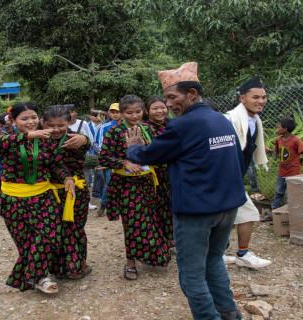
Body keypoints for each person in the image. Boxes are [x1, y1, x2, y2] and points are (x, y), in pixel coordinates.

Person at [126, 62, 246, 320]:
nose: (167, 105)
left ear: (191, 94)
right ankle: (230, 313)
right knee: (213, 261)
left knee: (191, 276)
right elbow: (239, 162)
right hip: (228, 206)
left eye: (171, 97)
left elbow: (151, 155)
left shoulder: (181, 126)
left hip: (196, 211)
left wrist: (132, 148)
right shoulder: (221, 120)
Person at [0, 102, 76, 294]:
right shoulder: (4, 138)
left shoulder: (46, 140)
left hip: (42, 197)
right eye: (24, 119)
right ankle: (41, 278)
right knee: (25, 242)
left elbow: (56, 164)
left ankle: (27, 276)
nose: (30, 122)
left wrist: (67, 177)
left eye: (33, 118)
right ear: (13, 121)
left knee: (49, 237)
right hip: (13, 200)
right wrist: (28, 136)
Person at [98, 94, 171, 281]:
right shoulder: (113, 132)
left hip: (150, 183)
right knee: (131, 222)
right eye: (129, 112)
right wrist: (124, 163)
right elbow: (104, 158)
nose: (134, 116)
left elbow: (158, 153)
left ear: (143, 112)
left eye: (138, 112)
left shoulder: (149, 129)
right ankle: (130, 262)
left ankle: (153, 253)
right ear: (121, 113)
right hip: (126, 185)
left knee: (153, 220)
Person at [224, 76, 272, 269]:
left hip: (235, 178)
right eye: (256, 97)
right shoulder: (231, 119)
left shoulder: (255, 120)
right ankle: (220, 254)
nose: (261, 101)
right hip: (224, 178)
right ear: (242, 98)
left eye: (263, 97)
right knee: (232, 216)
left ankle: (240, 253)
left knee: (242, 214)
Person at [42, 105, 92, 280]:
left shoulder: (75, 138)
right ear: (43, 123)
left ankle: (79, 264)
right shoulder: (40, 139)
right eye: (51, 125)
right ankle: (59, 267)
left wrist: (85, 140)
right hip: (50, 193)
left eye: (60, 126)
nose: (56, 130)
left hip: (75, 192)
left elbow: (88, 144)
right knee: (56, 230)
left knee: (76, 228)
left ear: (68, 123)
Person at [144, 95, 174, 247]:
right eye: (155, 108)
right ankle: (160, 240)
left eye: (162, 107)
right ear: (147, 111)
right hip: (154, 177)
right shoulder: (143, 128)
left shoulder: (173, 125)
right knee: (157, 209)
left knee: (172, 207)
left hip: (173, 174)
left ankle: (172, 237)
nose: (160, 111)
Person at [270, 117, 303, 211]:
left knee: (290, 193)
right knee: (279, 192)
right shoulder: (279, 140)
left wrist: (300, 161)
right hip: (282, 171)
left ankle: (286, 212)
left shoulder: (296, 140)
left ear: (285, 129)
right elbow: (278, 152)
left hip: (293, 171)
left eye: (279, 127)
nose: (277, 129)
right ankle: (274, 212)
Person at [95, 103, 122, 216]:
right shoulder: (104, 127)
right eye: (113, 112)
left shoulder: (128, 126)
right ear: (109, 113)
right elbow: (98, 144)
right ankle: (103, 205)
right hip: (111, 161)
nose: (115, 114)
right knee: (110, 182)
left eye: (117, 112)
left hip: (126, 160)